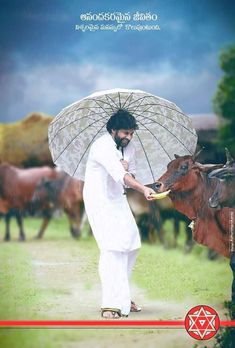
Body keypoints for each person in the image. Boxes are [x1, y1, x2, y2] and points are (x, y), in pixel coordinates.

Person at [83, 109, 155, 319]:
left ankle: (123, 296)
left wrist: (127, 169)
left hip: (117, 198)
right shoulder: (101, 146)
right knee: (112, 247)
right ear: (113, 130)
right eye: (125, 133)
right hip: (99, 200)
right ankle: (111, 304)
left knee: (132, 244)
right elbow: (122, 177)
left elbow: (129, 175)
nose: (129, 137)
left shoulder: (129, 147)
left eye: (132, 133)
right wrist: (143, 188)